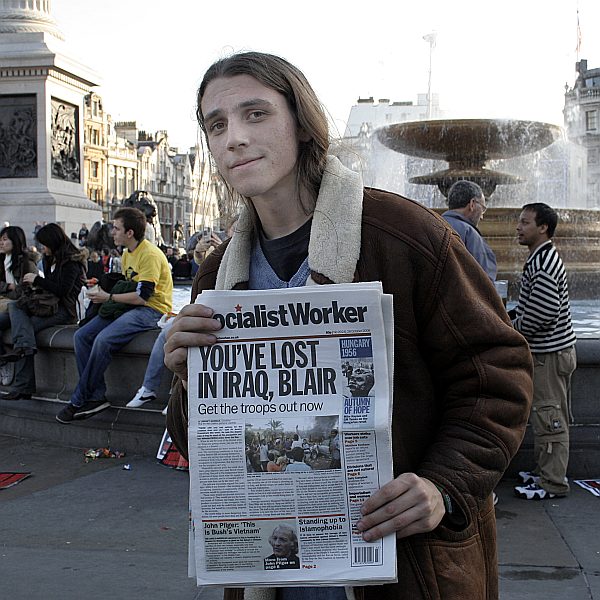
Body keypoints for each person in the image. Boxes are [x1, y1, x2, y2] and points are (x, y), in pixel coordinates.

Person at [162, 51, 532, 599]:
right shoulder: (217, 275)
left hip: (406, 570)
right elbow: (206, 446)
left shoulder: (407, 237)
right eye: (216, 125)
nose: (234, 137)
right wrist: (188, 375)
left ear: (303, 125)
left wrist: (442, 485)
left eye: (255, 114)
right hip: (273, 573)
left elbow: (498, 376)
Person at [55, 207, 173, 423]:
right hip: (128, 307)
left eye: (117, 228)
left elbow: (142, 297)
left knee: (103, 340)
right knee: (81, 336)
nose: (112, 232)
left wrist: (107, 297)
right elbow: (129, 286)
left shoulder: (150, 255)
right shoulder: (128, 253)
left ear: (130, 233)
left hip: (152, 310)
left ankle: (79, 399)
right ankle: (97, 396)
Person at [510, 203, 577, 501]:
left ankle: (553, 482)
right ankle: (544, 471)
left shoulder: (545, 262)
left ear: (543, 228)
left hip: (549, 355)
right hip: (549, 352)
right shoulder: (540, 258)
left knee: (550, 416)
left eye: (525, 222)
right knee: (545, 413)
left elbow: (543, 312)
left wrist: (514, 328)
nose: (518, 227)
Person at [0, 223, 86, 400]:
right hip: (44, 304)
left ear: (53, 243)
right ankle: (14, 354)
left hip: (63, 310)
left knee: (24, 329)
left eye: (44, 244)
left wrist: (36, 280)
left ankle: (23, 384)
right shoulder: (49, 259)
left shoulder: (72, 262)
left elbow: (63, 290)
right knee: (14, 308)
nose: (42, 248)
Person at [442, 180, 497, 282]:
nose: (482, 216)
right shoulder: (469, 234)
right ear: (472, 204)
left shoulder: (433, 224)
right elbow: (483, 281)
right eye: (483, 209)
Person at [0, 226, 39, 355]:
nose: (1, 243)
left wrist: (7, 291)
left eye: (5, 239)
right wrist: (8, 286)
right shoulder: (2, 261)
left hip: (20, 307)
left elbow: (23, 292)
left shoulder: (27, 264)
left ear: (15, 241)